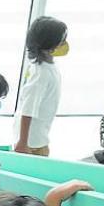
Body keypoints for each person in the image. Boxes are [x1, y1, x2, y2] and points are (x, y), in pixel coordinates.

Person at [14, 16, 68, 156]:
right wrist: (22, 142)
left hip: (38, 137)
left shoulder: (47, 67)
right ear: (49, 46)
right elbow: (27, 109)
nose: (65, 44)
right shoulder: (41, 74)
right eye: (62, 41)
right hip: (32, 144)